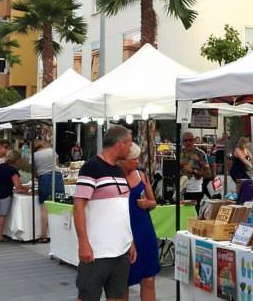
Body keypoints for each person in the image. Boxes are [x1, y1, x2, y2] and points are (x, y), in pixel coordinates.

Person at [74, 125, 136, 301]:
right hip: (97, 251)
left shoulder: (118, 170)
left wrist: (129, 241)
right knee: (87, 296)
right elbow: (78, 207)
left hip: (121, 250)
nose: (131, 149)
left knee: (118, 297)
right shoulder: (91, 167)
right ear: (120, 144)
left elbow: (121, 209)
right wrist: (83, 243)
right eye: (129, 144)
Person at [117, 144, 159, 301]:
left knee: (148, 279)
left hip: (144, 229)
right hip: (124, 230)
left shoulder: (142, 175)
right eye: (133, 158)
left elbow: (154, 202)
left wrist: (148, 204)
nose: (137, 161)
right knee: (122, 282)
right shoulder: (115, 178)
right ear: (122, 160)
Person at [0, 150, 28, 242]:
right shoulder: (13, 171)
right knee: (1, 215)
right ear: (17, 160)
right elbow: (17, 185)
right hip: (4, 193)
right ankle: (0, 236)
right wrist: (25, 188)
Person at [34, 140, 64, 243]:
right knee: (60, 204)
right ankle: (60, 232)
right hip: (57, 176)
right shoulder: (52, 151)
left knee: (44, 208)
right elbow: (57, 164)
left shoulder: (35, 155)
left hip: (44, 178)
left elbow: (34, 170)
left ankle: (44, 235)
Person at [180, 132, 211, 213]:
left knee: (193, 213)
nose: (188, 142)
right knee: (182, 214)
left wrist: (193, 171)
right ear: (182, 142)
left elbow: (208, 174)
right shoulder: (179, 153)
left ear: (194, 141)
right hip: (181, 190)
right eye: (185, 141)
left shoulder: (200, 154)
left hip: (195, 190)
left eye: (190, 140)